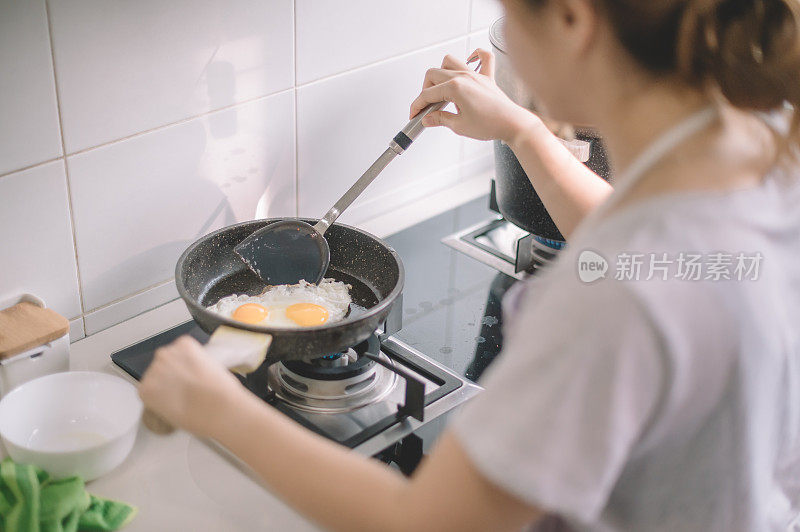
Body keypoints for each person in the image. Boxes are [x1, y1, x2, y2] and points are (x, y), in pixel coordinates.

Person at [139, 0, 800, 529]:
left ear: (574, 19)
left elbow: (425, 520)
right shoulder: (767, 139)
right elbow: (672, 260)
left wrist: (218, 410)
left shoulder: (605, 302)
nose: (504, 30)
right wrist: (523, 128)